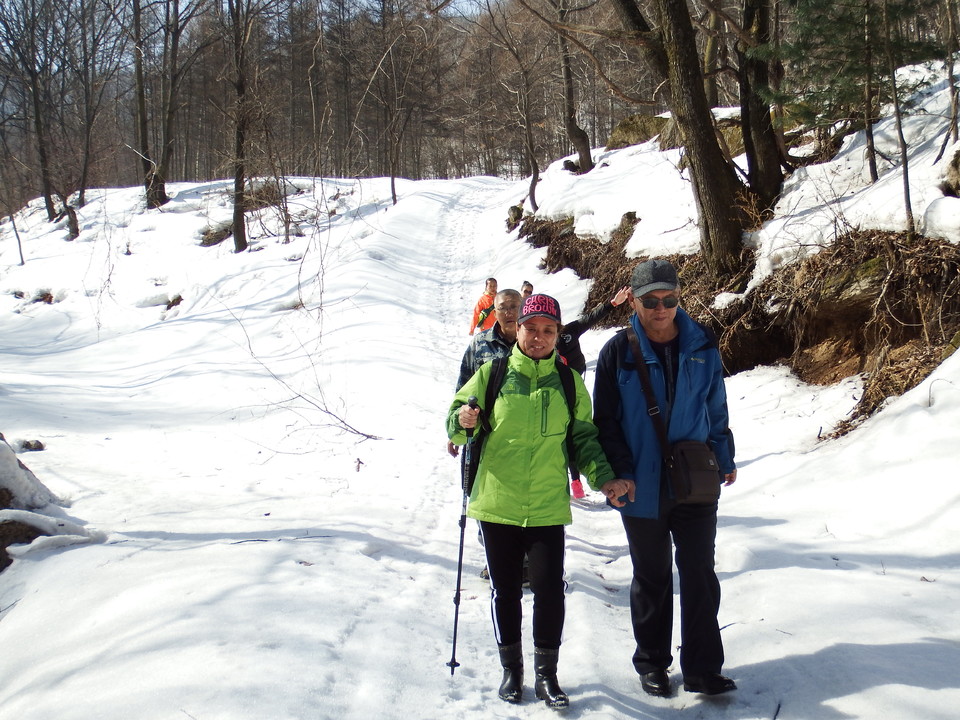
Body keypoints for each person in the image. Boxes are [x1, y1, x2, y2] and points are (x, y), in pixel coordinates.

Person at [447, 293, 630, 709]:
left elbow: (584, 439)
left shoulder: (568, 382)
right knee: (506, 591)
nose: (539, 337)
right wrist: (462, 421)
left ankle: (548, 675)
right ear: (519, 329)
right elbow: (457, 423)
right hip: (497, 502)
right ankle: (512, 672)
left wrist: (604, 479)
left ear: (557, 335)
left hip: (546, 504)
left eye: (549, 331)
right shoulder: (492, 374)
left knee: (550, 590)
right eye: (532, 329)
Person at [593, 259, 738, 699]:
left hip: (694, 477)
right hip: (642, 484)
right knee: (652, 575)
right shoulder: (617, 352)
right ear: (634, 301)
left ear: (679, 297)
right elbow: (606, 422)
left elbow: (716, 404)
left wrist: (724, 454)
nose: (661, 309)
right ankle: (652, 662)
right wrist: (620, 474)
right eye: (651, 301)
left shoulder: (702, 343)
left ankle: (702, 668)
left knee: (699, 573)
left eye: (669, 299)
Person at [448, 289, 522, 458]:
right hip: (482, 433)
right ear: (495, 313)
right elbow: (464, 386)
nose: (509, 312)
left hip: (521, 431)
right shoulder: (480, 343)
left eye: (514, 306)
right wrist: (456, 429)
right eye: (503, 308)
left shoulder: (534, 343)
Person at [558, 285, 631, 375]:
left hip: (578, 371)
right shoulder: (539, 341)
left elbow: (592, 318)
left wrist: (613, 303)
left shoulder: (569, 330)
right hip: (558, 379)